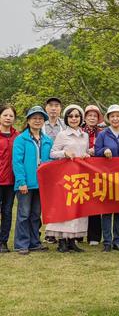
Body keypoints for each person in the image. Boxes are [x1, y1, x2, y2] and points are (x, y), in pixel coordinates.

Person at [45, 105, 90, 253]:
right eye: (71, 116)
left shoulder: (85, 136)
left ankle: (72, 240)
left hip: (80, 176)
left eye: (77, 116)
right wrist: (64, 153)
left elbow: (84, 152)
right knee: (65, 207)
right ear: (66, 118)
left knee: (77, 208)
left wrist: (87, 155)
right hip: (65, 176)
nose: (74, 119)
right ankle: (62, 241)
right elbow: (52, 153)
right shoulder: (62, 135)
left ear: (81, 118)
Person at [13, 106, 53, 255]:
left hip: (41, 183)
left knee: (36, 214)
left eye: (40, 118)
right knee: (24, 214)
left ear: (44, 121)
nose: (37, 121)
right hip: (25, 184)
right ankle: (21, 244)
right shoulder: (21, 139)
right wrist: (21, 182)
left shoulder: (47, 140)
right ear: (28, 120)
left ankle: (35, 242)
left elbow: (50, 161)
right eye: (34, 118)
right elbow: (17, 162)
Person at [94, 105, 119, 252]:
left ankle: (118, 240)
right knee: (107, 210)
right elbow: (96, 152)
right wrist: (104, 150)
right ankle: (107, 241)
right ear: (108, 118)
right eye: (112, 116)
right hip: (106, 177)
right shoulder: (103, 135)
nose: (115, 118)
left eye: (118, 116)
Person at [82, 104, 104, 246]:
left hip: (98, 171)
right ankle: (78, 234)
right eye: (89, 115)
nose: (92, 118)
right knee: (80, 201)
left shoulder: (102, 132)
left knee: (95, 202)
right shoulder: (79, 130)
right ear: (85, 117)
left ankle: (94, 236)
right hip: (81, 170)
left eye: (94, 116)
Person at [0, 104, 18, 253]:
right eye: (5, 115)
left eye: (11, 116)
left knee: (7, 212)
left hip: (11, 181)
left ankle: (3, 242)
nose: (8, 118)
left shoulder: (17, 136)